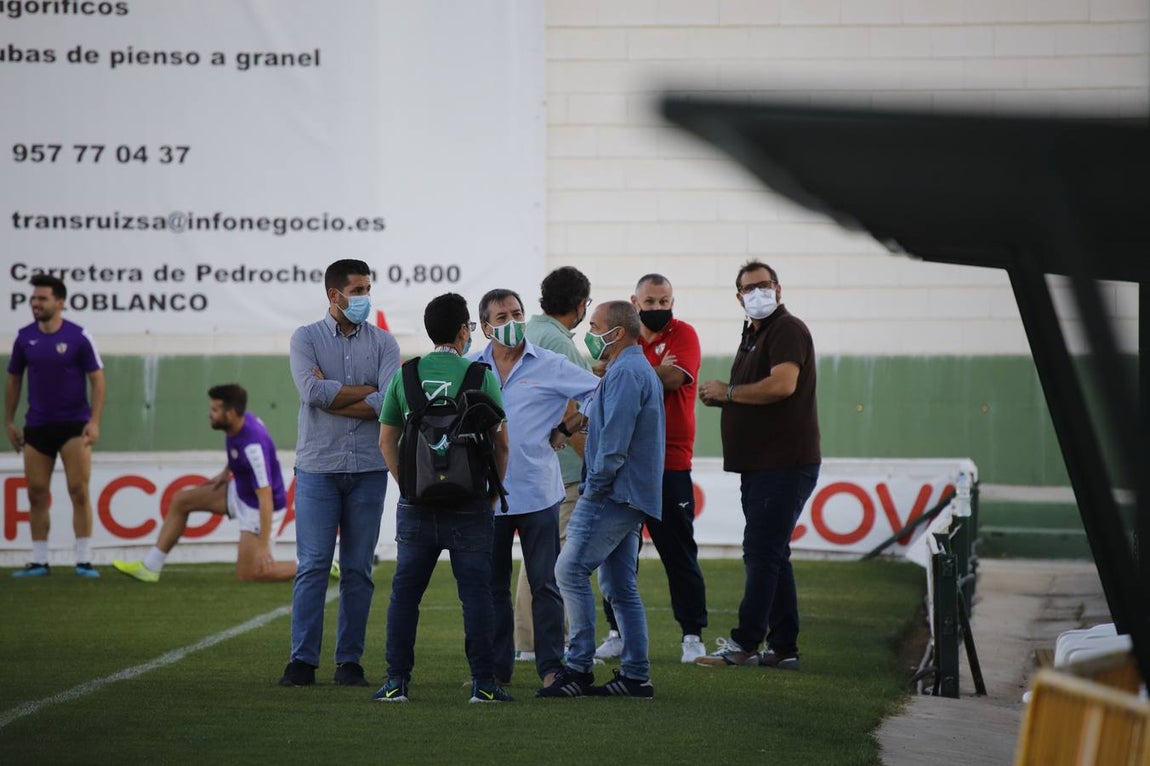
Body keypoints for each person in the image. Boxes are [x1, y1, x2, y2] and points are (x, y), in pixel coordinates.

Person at [374, 292, 512, 704]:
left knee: (405, 595)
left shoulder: (407, 375)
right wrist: (491, 495)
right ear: (462, 330)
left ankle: (397, 682)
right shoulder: (480, 375)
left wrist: (409, 485)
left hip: (417, 507)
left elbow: (386, 439)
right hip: (469, 505)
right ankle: (483, 684)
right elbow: (501, 445)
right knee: (476, 596)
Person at [470, 288, 600, 690]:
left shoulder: (551, 364)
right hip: (486, 497)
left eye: (517, 313)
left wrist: (568, 427)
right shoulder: (472, 367)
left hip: (539, 494)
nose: (512, 322)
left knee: (545, 585)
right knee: (491, 588)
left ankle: (550, 669)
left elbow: (598, 392)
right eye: (502, 317)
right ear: (487, 326)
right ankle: (495, 671)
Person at [279, 259, 400, 688]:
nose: (365, 296)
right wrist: (366, 393)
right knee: (312, 566)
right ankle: (302, 662)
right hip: (318, 469)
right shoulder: (305, 338)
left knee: (358, 570)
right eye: (359, 289)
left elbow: (389, 403)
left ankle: (349, 662)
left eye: (368, 288)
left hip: (368, 469)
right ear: (334, 295)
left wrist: (337, 395)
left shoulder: (385, 343)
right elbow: (311, 393)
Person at [695, 260, 821, 670]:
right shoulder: (753, 333)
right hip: (762, 464)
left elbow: (783, 384)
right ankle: (784, 648)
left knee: (761, 552)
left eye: (765, 285)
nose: (760, 292)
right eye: (751, 288)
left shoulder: (787, 329)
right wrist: (728, 396)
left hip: (784, 462)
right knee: (773, 553)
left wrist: (728, 392)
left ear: (779, 289)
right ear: (739, 297)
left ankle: (744, 643)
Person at [540, 300, 664, 699]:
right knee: (619, 585)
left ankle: (577, 668)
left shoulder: (627, 373)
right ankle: (635, 676)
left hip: (612, 492)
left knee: (569, 571)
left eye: (596, 327)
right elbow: (600, 419)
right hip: (630, 494)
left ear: (619, 332)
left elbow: (613, 442)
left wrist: (595, 487)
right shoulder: (627, 370)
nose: (590, 335)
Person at [604, 273, 708, 663]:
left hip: (670, 461)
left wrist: (629, 373)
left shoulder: (685, 334)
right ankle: (615, 632)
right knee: (615, 552)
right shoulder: (622, 338)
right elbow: (606, 374)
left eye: (664, 302)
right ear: (635, 302)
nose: (659, 309)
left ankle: (692, 636)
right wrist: (650, 373)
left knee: (679, 553)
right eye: (651, 302)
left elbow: (675, 376)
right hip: (627, 460)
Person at [112, 384, 295, 584]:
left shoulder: (253, 447)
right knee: (182, 500)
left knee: (248, 574)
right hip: (241, 492)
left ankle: (318, 565)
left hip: (259, 509)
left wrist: (263, 545)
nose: (210, 414)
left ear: (231, 413)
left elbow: (265, 496)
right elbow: (238, 451)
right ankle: (150, 567)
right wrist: (227, 472)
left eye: (215, 410)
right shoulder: (241, 423)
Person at [5, 274, 105, 579]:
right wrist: (8, 420)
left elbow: (97, 379)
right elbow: (13, 379)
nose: (36, 303)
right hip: (37, 426)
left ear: (60, 303)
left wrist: (94, 421)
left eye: (42, 298)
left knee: (78, 490)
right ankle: (39, 561)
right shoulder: (24, 338)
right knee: (36, 492)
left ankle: (84, 560)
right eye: (34, 298)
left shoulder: (78, 336)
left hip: (74, 425)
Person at [516, 266, 592, 661]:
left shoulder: (533, 332)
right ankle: (541, 644)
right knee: (553, 561)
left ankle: (529, 641)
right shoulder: (559, 343)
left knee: (539, 558)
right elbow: (582, 404)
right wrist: (594, 463)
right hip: (561, 470)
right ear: (580, 305)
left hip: (533, 464)